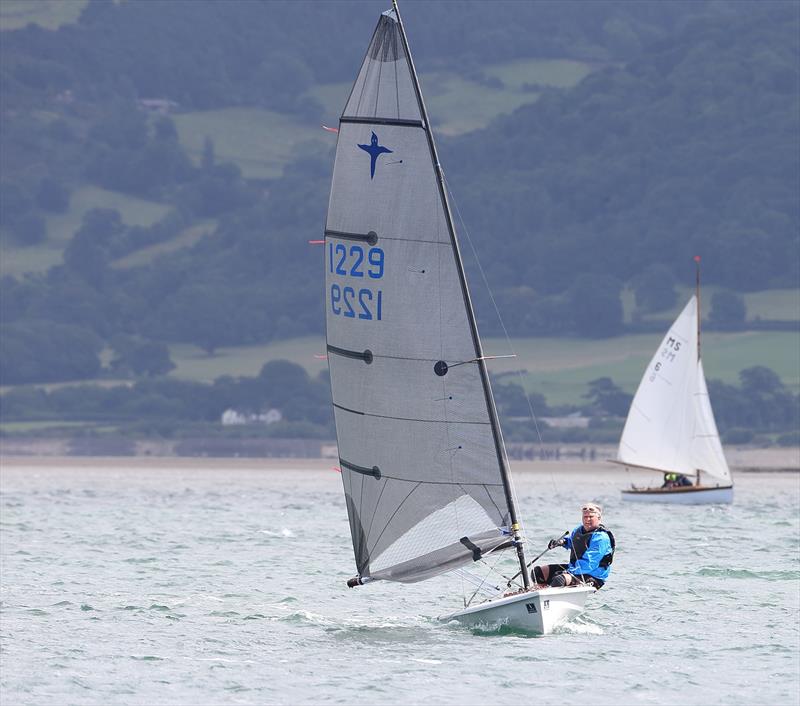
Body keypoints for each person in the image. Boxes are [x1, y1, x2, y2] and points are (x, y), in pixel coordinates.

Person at [532, 502, 615, 589]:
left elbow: (589, 563)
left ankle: (549, 596)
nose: (587, 520)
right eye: (585, 517)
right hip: (576, 569)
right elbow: (574, 542)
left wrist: (568, 572)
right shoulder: (578, 530)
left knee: (559, 579)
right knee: (538, 572)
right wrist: (561, 542)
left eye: (591, 517)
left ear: (599, 518)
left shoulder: (601, 538)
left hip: (593, 576)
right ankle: (539, 595)